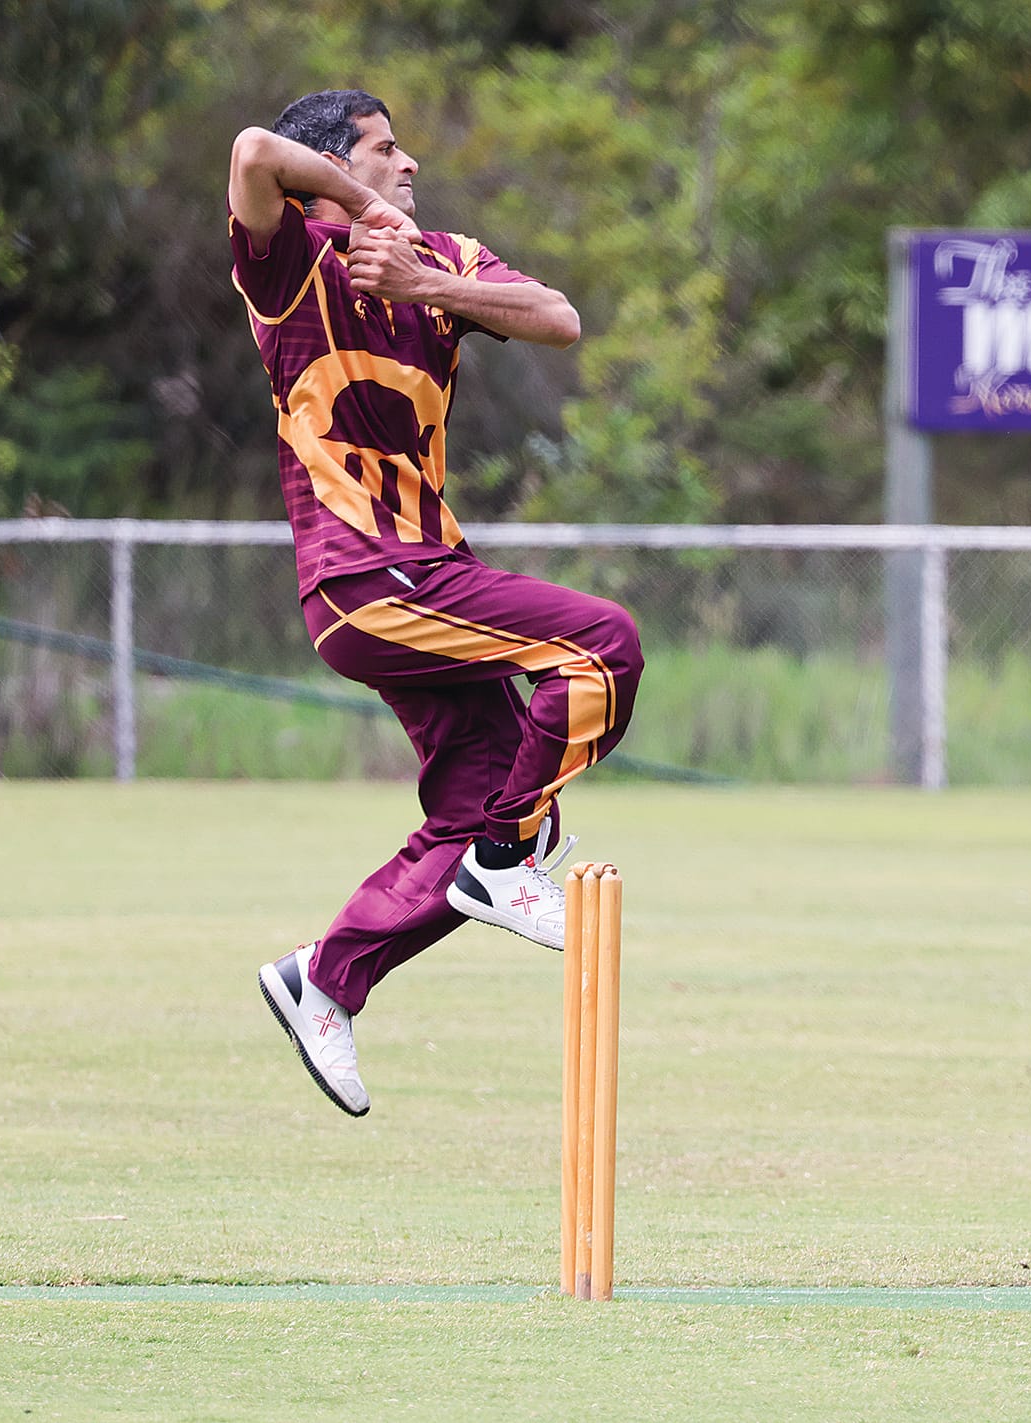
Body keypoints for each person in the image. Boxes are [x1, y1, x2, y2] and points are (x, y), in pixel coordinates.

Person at [229, 90, 643, 1118]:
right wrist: (357, 211)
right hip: (366, 578)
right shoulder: (290, 263)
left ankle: (325, 976)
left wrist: (419, 273)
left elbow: (560, 319)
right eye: (384, 150)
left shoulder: (441, 257)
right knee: (602, 650)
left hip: (425, 572)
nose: (408, 165)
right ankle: (511, 856)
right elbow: (251, 150)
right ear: (331, 166)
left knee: (476, 800)